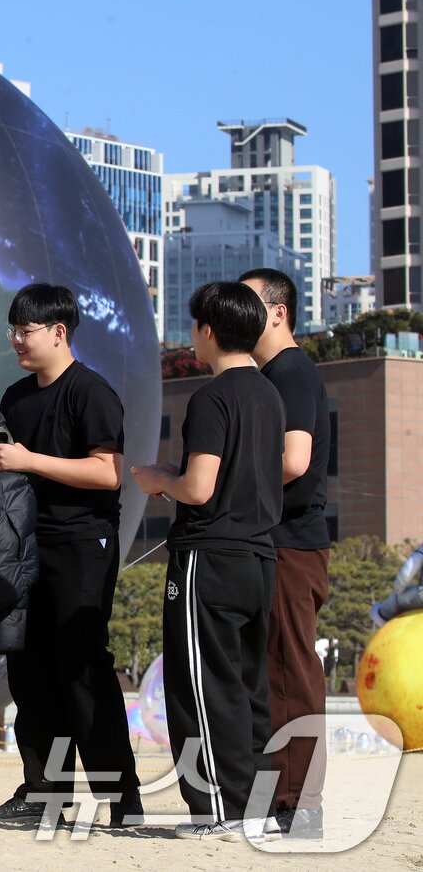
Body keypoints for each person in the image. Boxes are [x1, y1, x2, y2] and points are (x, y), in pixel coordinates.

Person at [0, 283, 141, 828]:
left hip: (81, 545)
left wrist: (29, 459)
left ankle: (122, 800)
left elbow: (108, 472)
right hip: (25, 547)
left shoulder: (91, 392)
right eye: (13, 331)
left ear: (58, 332)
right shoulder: (18, 398)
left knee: (81, 668)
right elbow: (10, 468)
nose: (17, 341)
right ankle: (43, 795)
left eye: (26, 331)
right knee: (29, 670)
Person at [132, 280, 283, 843]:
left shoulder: (213, 397)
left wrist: (158, 480)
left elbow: (198, 488)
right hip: (259, 555)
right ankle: (256, 804)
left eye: (195, 324)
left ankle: (220, 808)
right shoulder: (269, 394)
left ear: (209, 330)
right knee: (247, 685)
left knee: (200, 684)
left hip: (210, 557)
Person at [239, 268, 331, 840]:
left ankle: (299, 805)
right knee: (269, 671)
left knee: (289, 671)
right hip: (274, 543)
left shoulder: (291, 372)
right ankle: (280, 797)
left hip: (293, 546)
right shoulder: (269, 375)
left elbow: (294, 461)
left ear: (277, 312)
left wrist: (222, 483)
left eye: (249, 305)